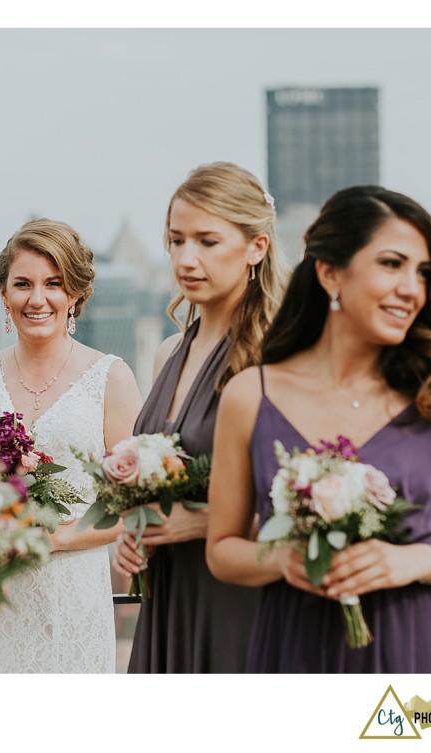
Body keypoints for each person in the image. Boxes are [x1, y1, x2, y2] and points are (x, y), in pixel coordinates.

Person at [207, 185, 431, 673]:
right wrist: (284, 560)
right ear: (330, 273)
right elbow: (223, 550)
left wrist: (416, 561)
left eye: (423, 272)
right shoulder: (249, 395)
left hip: (415, 650)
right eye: (392, 264)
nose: (413, 288)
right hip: (294, 646)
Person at [113, 162, 287, 673]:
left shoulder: (277, 354)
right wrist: (135, 534)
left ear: (257, 246)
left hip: (246, 606)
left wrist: (207, 522)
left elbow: (314, 502)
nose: (186, 259)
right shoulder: (169, 353)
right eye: (176, 241)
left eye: (208, 241)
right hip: (169, 602)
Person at [0, 218, 142, 673]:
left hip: (74, 595)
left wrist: (54, 537)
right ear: (4, 294)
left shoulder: (111, 378)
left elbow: (133, 503)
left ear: (74, 295)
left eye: (54, 284)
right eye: (23, 284)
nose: (37, 299)